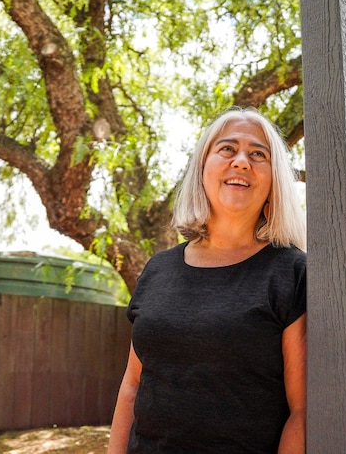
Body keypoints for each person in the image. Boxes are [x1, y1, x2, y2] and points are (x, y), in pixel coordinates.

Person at [108, 107, 307, 454]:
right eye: (227, 149)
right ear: (203, 167)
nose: (241, 161)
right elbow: (132, 385)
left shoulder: (291, 272)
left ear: (274, 178)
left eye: (258, 154)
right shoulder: (158, 270)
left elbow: (302, 411)